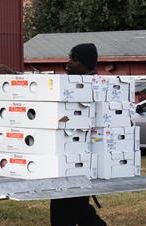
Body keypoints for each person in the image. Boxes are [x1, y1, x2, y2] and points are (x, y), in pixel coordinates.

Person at [50, 43, 106, 226]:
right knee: (62, 205)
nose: (68, 63)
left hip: (80, 157)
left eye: (73, 59)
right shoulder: (72, 82)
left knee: (76, 207)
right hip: (66, 154)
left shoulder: (92, 86)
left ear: (83, 64)